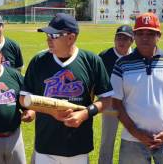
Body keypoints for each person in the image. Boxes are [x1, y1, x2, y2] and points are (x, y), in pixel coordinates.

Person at [19, 13, 113, 164]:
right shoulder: (39, 61)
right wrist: (51, 110)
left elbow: (107, 99)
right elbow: (24, 99)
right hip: (46, 145)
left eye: (54, 35)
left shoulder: (91, 61)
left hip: (78, 146)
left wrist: (84, 114)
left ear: (71, 37)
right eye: (47, 35)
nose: (48, 39)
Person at [110, 12, 163, 164]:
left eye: (150, 33)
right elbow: (116, 104)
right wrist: (136, 133)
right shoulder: (122, 64)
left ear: (159, 35)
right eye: (140, 33)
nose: (145, 37)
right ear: (134, 36)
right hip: (132, 140)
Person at [98, 25, 134, 164]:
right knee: (108, 139)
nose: (121, 41)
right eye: (119, 37)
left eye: (125, 38)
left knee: (134, 138)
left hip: (132, 102)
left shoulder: (137, 56)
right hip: (110, 104)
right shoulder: (104, 56)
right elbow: (97, 81)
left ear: (132, 40)